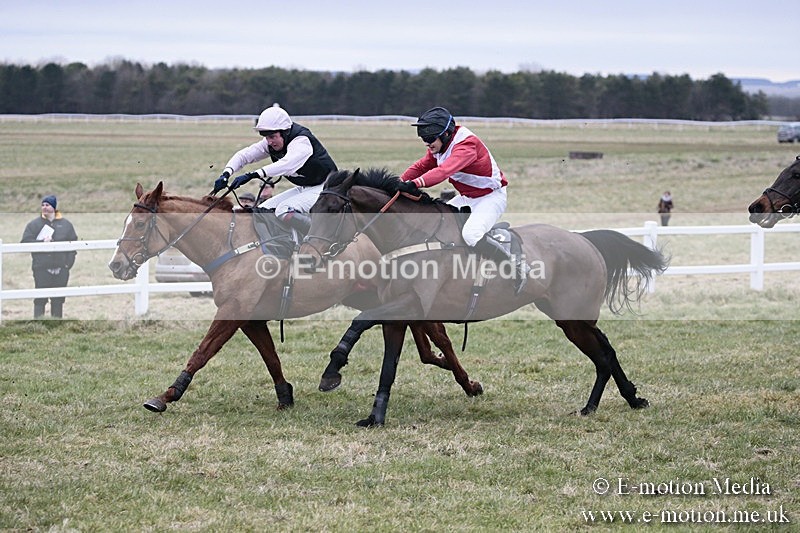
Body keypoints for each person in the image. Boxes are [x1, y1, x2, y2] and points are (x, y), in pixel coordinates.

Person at [399, 106, 529, 294]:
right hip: (467, 198)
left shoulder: (466, 146)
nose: (427, 144)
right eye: (423, 139)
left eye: (429, 139)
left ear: (445, 135)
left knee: (471, 235)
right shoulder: (440, 146)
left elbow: (443, 171)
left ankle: (515, 265)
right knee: (434, 224)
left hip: (491, 198)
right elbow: (421, 166)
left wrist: (416, 183)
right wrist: (398, 182)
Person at [212, 104, 337, 233]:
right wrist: (226, 173)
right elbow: (244, 155)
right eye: (266, 137)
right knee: (262, 211)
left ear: (285, 132)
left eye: (272, 137)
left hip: (328, 188)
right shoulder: (272, 143)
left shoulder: (302, 141)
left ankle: (324, 236)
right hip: (307, 188)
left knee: (284, 210)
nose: (269, 141)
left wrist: (252, 175)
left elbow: (286, 165)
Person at [20, 195, 78, 318]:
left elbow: (73, 245)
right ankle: (38, 324)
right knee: (40, 299)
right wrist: (41, 244)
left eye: (47, 205)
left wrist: (68, 264)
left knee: (58, 299)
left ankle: (56, 324)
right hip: (41, 268)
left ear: (54, 207)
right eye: (43, 205)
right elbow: (24, 243)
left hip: (61, 269)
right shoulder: (34, 225)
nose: (44, 207)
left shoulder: (66, 225)